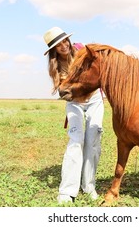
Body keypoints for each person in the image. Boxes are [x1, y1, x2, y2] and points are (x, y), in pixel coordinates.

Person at [43, 27, 104, 204]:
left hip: (94, 99)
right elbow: (65, 92)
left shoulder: (81, 49)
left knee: (93, 141)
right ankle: (67, 191)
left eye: (64, 41)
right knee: (76, 141)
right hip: (75, 102)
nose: (63, 46)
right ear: (53, 50)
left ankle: (89, 186)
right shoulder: (55, 67)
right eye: (58, 45)